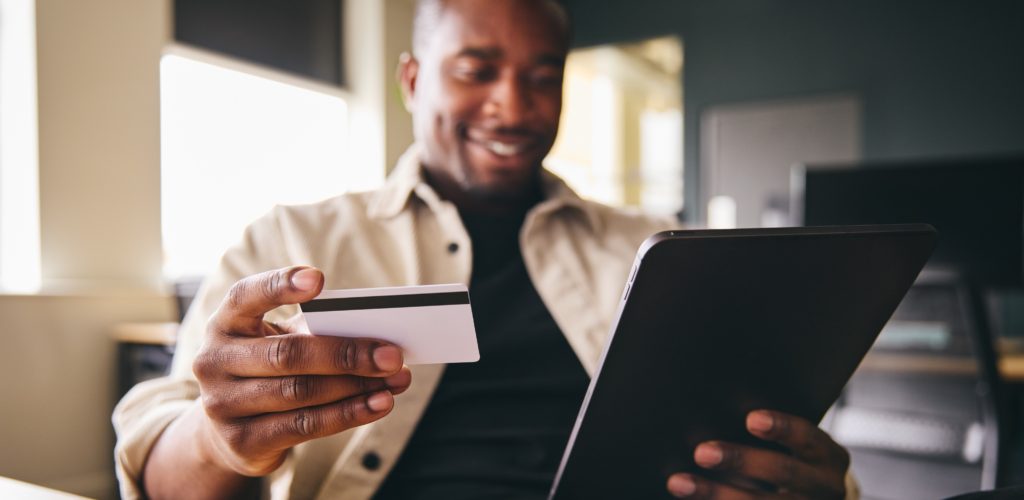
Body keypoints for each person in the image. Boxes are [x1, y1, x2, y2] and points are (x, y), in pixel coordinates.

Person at [114, 0, 856, 498]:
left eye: (543, 78)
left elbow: (764, 433)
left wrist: (805, 479)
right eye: (477, 72)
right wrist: (221, 444)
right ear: (411, 80)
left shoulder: (654, 248)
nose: (514, 106)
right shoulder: (292, 242)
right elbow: (159, 469)